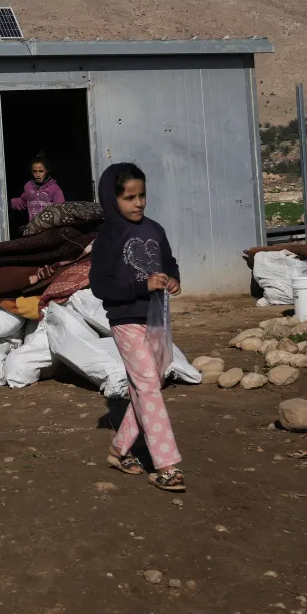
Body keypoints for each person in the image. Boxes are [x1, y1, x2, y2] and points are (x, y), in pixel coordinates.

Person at [90, 161, 185, 493]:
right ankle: (167, 466)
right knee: (147, 385)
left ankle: (119, 449)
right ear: (111, 198)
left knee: (150, 384)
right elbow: (100, 286)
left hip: (156, 318)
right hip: (125, 320)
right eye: (129, 197)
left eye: (142, 195)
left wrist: (172, 279)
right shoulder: (108, 237)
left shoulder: (154, 230)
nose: (139, 203)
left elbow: (169, 262)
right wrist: (142, 286)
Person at [9, 156, 65, 226]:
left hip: (49, 227)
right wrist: (8, 203)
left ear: (47, 170)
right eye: (34, 171)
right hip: (33, 227)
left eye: (41, 171)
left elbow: (60, 209)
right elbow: (23, 202)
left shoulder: (55, 188)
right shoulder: (28, 187)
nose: (38, 175)